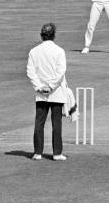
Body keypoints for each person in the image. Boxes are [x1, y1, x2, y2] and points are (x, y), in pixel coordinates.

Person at [26, 23, 68, 161]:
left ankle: (37, 152)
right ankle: (57, 154)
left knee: (39, 123)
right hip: (56, 92)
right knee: (56, 124)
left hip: (41, 93)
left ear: (41, 35)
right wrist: (50, 87)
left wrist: (40, 87)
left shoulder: (34, 51)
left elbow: (30, 72)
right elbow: (60, 72)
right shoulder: (59, 51)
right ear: (54, 35)